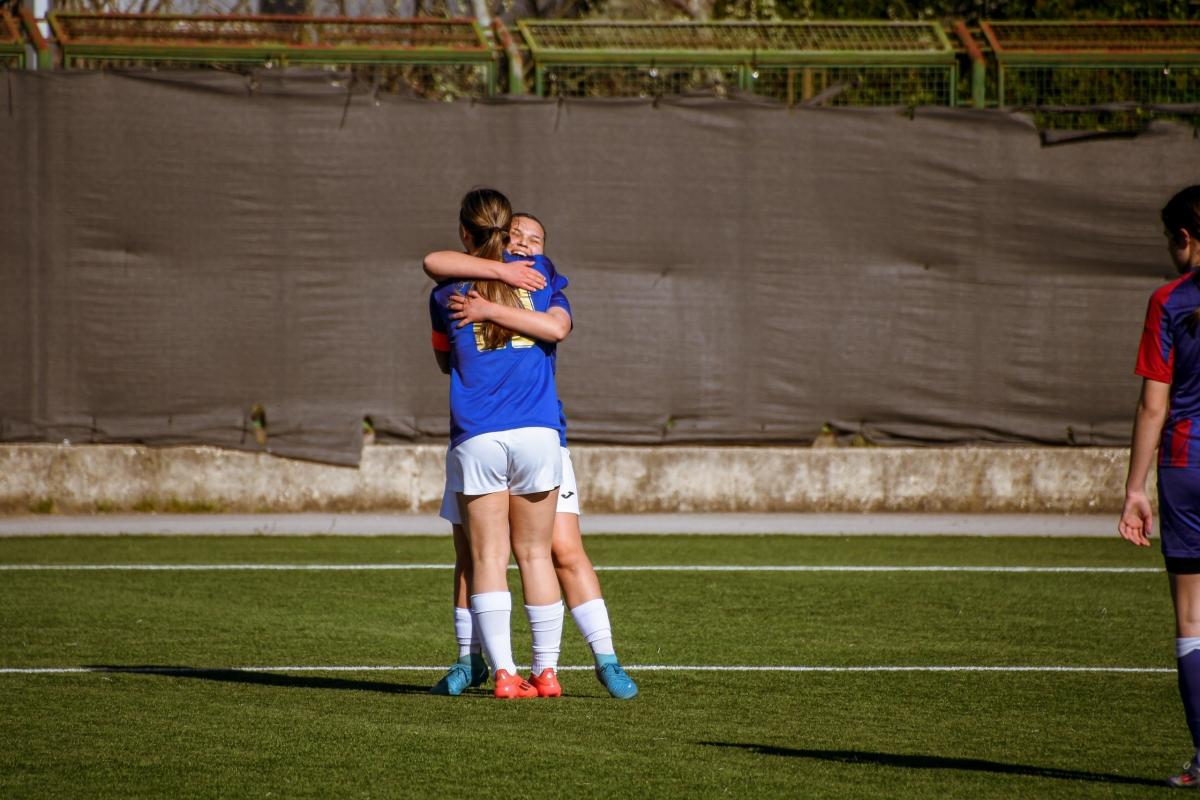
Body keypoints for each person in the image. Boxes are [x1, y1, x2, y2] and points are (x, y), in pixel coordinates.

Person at [425, 213, 639, 700]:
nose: (523, 243)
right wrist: (494, 282)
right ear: (495, 238)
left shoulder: (542, 279)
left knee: (558, 551)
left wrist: (488, 311)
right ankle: (472, 661)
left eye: (533, 238)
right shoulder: (456, 286)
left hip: (538, 433)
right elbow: (436, 270)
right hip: (483, 432)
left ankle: (598, 659)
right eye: (514, 234)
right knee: (474, 555)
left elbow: (555, 328)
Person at [428, 189, 571, 700]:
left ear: (466, 232)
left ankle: (505, 674)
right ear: (510, 232)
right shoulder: (539, 273)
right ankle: (547, 672)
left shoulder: (446, 290)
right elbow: (556, 326)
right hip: (536, 431)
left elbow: (445, 359)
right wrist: (511, 275)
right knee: (534, 554)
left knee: (485, 557)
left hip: (478, 434)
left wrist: (488, 298)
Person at [1120, 185, 1200, 787]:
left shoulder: (1169, 301)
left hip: (1185, 468)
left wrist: (1134, 489)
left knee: (1193, 621)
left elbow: (1154, 405)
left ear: (1184, 239)